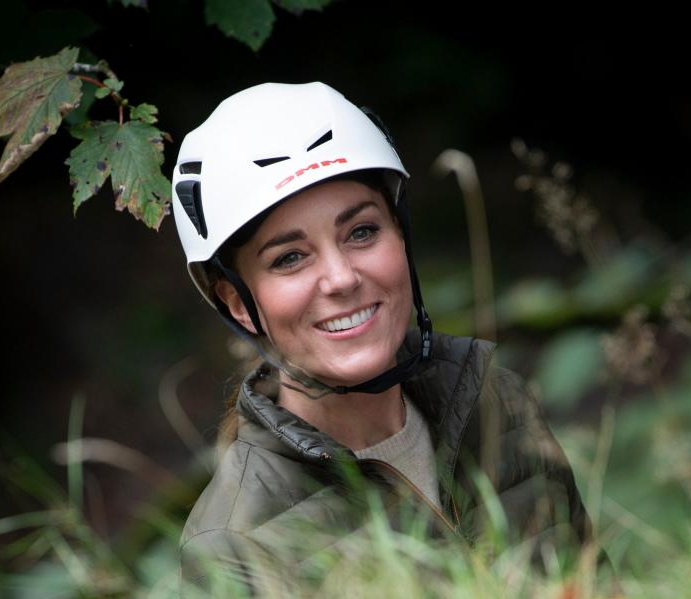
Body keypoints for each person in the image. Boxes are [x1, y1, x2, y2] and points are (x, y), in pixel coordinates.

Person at [171, 82, 592, 593]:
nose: (342, 277)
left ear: (400, 233)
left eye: (362, 232)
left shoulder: (495, 402)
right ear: (238, 303)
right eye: (290, 258)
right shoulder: (232, 546)